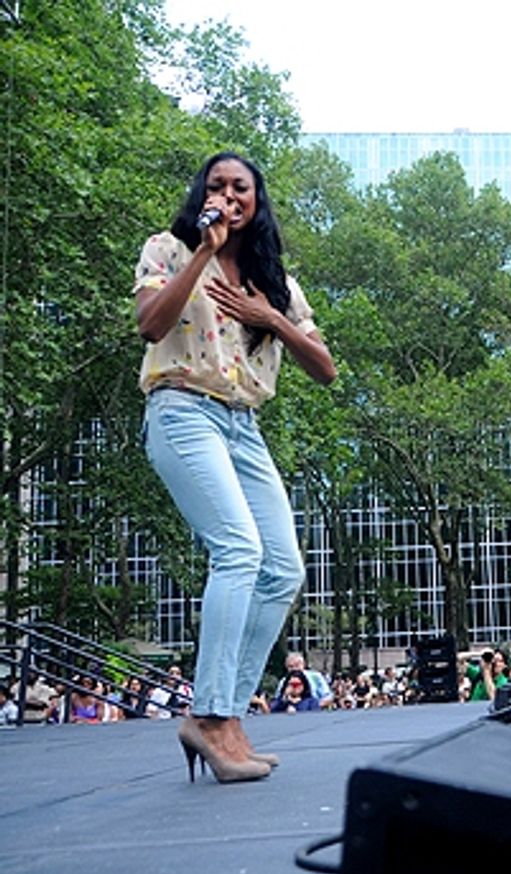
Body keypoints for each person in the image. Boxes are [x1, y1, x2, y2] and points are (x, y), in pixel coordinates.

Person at [136, 152, 336, 783]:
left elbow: (326, 368)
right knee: (239, 551)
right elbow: (150, 323)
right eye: (217, 184)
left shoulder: (273, 280)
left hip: (243, 426)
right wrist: (201, 250)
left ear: (257, 200)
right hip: (182, 409)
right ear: (203, 193)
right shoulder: (168, 249)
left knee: (283, 569)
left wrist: (268, 317)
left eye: (240, 186)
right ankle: (209, 713)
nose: (228, 194)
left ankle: (226, 721)